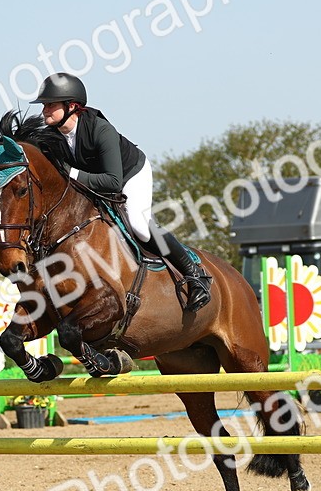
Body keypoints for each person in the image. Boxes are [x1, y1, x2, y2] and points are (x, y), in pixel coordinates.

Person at [31, 72, 213, 312]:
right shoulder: (51, 137)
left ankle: (194, 274)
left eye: (50, 105)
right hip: (93, 180)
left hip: (128, 175)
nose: (45, 110)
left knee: (138, 223)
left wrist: (71, 173)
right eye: (44, 105)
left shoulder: (100, 130)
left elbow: (113, 182)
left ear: (72, 106)